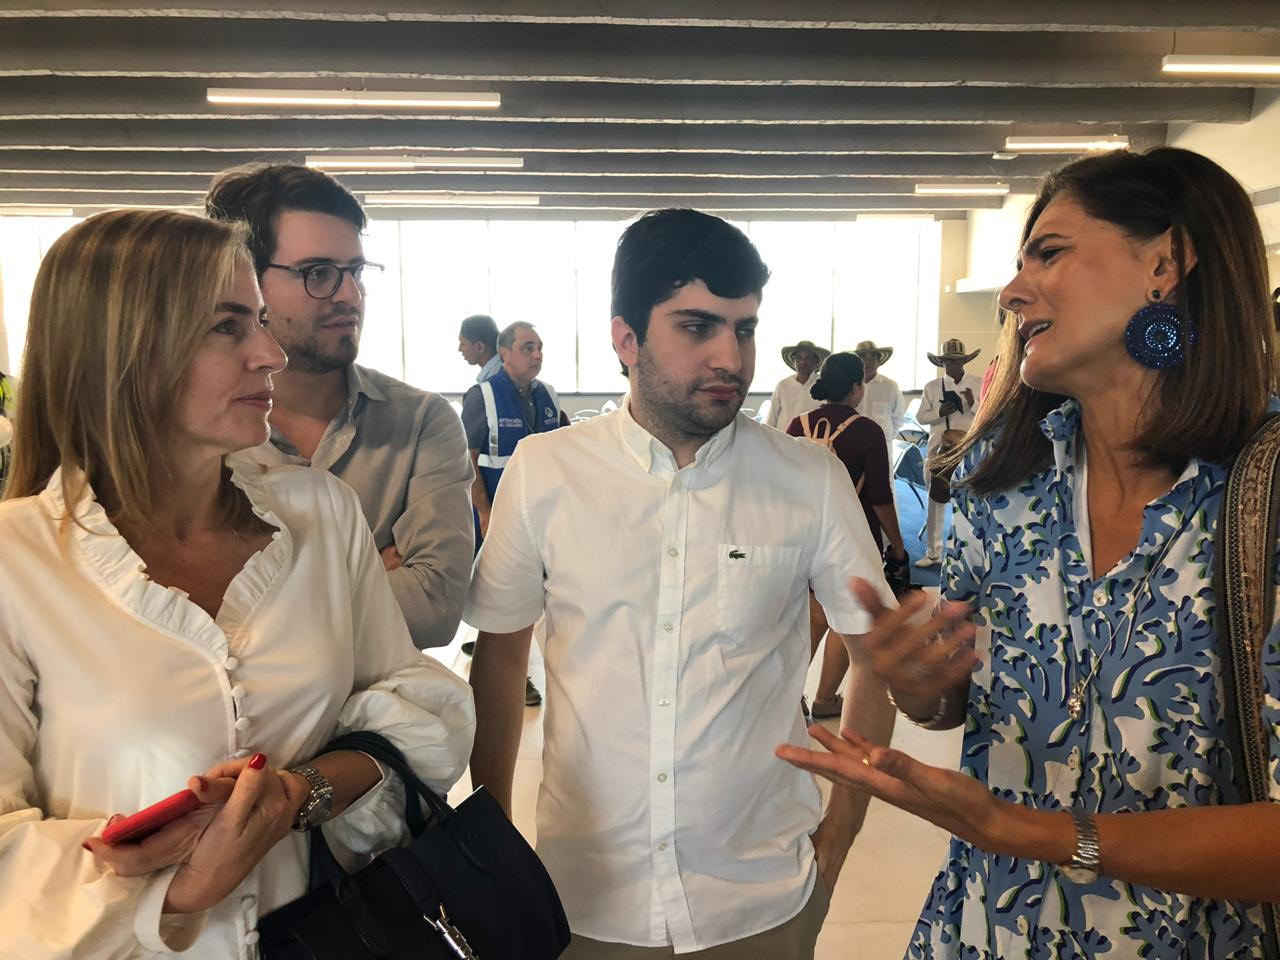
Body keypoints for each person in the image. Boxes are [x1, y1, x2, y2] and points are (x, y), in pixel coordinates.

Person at [778, 147, 1280, 959]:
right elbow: (960, 707)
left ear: (1165, 264)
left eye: (1049, 253)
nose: (1013, 293)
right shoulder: (1001, 482)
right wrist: (921, 687)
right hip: (988, 929)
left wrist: (1035, 833)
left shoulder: (1264, 497)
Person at [0, 209, 475, 959]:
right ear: (120, 350)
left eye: (258, 320)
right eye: (227, 327)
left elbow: (413, 702)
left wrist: (297, 795)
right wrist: (177, 890)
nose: (270, 354)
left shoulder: (320, 513)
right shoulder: (17, 560)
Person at [465, 208, 895, 959]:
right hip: (584, 899)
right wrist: (492, 847)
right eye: (697, 327)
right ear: (625, 339)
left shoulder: (809, 478)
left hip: (761, 899)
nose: (731, 356)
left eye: (745, 329)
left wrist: (838, 841)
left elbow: (876, 660)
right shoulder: (547, 471)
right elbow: (500, 661)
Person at [206, 163, 474, 650]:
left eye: (356, 272)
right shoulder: (200, 429)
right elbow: (177, 612)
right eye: (319, 274)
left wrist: (255, 614)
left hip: (390, 702)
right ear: (244, 280)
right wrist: (367, 577)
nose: (350, 295)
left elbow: (434, 609)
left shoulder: (421, 422)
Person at [787, 351, 908, 721]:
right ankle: (825, 698)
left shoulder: (797, 425)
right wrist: (898, 546)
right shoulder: (868, 431)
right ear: (857, 387)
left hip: (802, 532)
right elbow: (880, 497)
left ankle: (790, 697)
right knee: (847, 616)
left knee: (813, 615)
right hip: (853, 534)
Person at [460, 320, 565, 705]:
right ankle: (513, 681)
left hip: (545, 517)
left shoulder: (548, 395)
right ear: (503, 354)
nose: (537, 355)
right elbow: (467, 462)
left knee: (543, 599)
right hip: (499, 519)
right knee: (502, 603)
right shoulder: (483, 397)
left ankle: (555, 671)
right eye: (527, 348)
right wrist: (485, 513)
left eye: (539, 347)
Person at [913, 339, 983, 567]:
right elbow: (921, 417)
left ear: (964, 361)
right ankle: (933, 553)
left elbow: (988, 414)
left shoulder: (978, 383)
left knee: (969, 500)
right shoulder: (932, 387)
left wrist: (973, 403)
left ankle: (968, 554)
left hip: (968, 449)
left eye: (956, 360)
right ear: (942, 362)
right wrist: (939, 412)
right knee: (935, 499)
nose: (952, 364)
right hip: (938, 450)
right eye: (948, 361)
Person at [853, 340, 906, 465]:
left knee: (882, 476)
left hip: (881, 447)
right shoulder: (849, 385)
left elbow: (898, 419)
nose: (867, 362)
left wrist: (885, 438)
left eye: (872, 358)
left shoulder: (890, 386)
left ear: (878, 361)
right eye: (863, 358)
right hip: (853, 446)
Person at [765, 339, 827, 430]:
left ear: (816, 361)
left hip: (813, 437)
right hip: (783, 437)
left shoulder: (824, 385)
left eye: (808, 358)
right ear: (794, 361)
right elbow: (771, 419)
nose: (802, 362)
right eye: (798, 358)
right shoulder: (783, 385)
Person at [459, 313, 502, 382]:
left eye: (463, 344)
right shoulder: (499, 368)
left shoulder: (495, 377)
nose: (459, 349)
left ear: (480, 347)